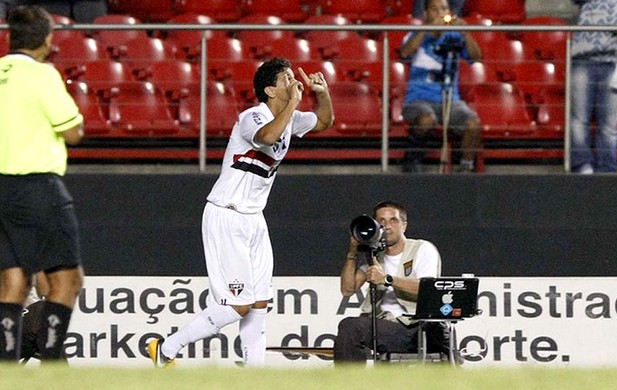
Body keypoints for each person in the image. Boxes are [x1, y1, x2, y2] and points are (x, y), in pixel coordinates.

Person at [147, 57, 334, 368]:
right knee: (238, 306)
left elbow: (325, 122)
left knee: (259, 304)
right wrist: (294, 106)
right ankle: (166, 349)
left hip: (254, 219)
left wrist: (323, 94)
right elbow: (268, 138)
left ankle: (254, 375)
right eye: (287, 78)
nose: (294, 83)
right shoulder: (252, 117)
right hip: (226, 214)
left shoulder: (289, 117)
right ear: (271, 90)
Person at [0, 5, 84, 362]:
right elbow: (72, 131)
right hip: (37, 186)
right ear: (48, 40)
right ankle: (51, 364)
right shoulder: (42, 75)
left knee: (12, 283)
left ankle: (6, 368)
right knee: (67, 281)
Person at [333, 200, 451, 365]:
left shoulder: (422, 249)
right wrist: (352, 251)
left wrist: (387, 279)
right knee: (349, 327)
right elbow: (347, 289)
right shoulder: (374, 254)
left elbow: (428, 290)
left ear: (404, 226)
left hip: (417, 327)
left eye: (393, 220)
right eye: (381, 221)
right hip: (386, 327)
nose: (386, 225)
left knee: (436, 330)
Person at [400, 0, 482, 173]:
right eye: (434, 9)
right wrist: (427, 30)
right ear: (426, 13)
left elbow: (476, 57)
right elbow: (406, 52)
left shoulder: (456, 35)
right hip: (418, 99)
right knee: (426, 120)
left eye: (443, 9)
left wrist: (466, 33)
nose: (439, 12)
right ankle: (413, 158)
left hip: (451, 100)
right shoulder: (417, 33)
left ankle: (466, 168)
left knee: (473, 124)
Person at [569, 0, 617, 174]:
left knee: (609, 123)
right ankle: (583, 166)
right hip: (583, 58)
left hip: (614, 61)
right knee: (579, 119)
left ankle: (607, 168)